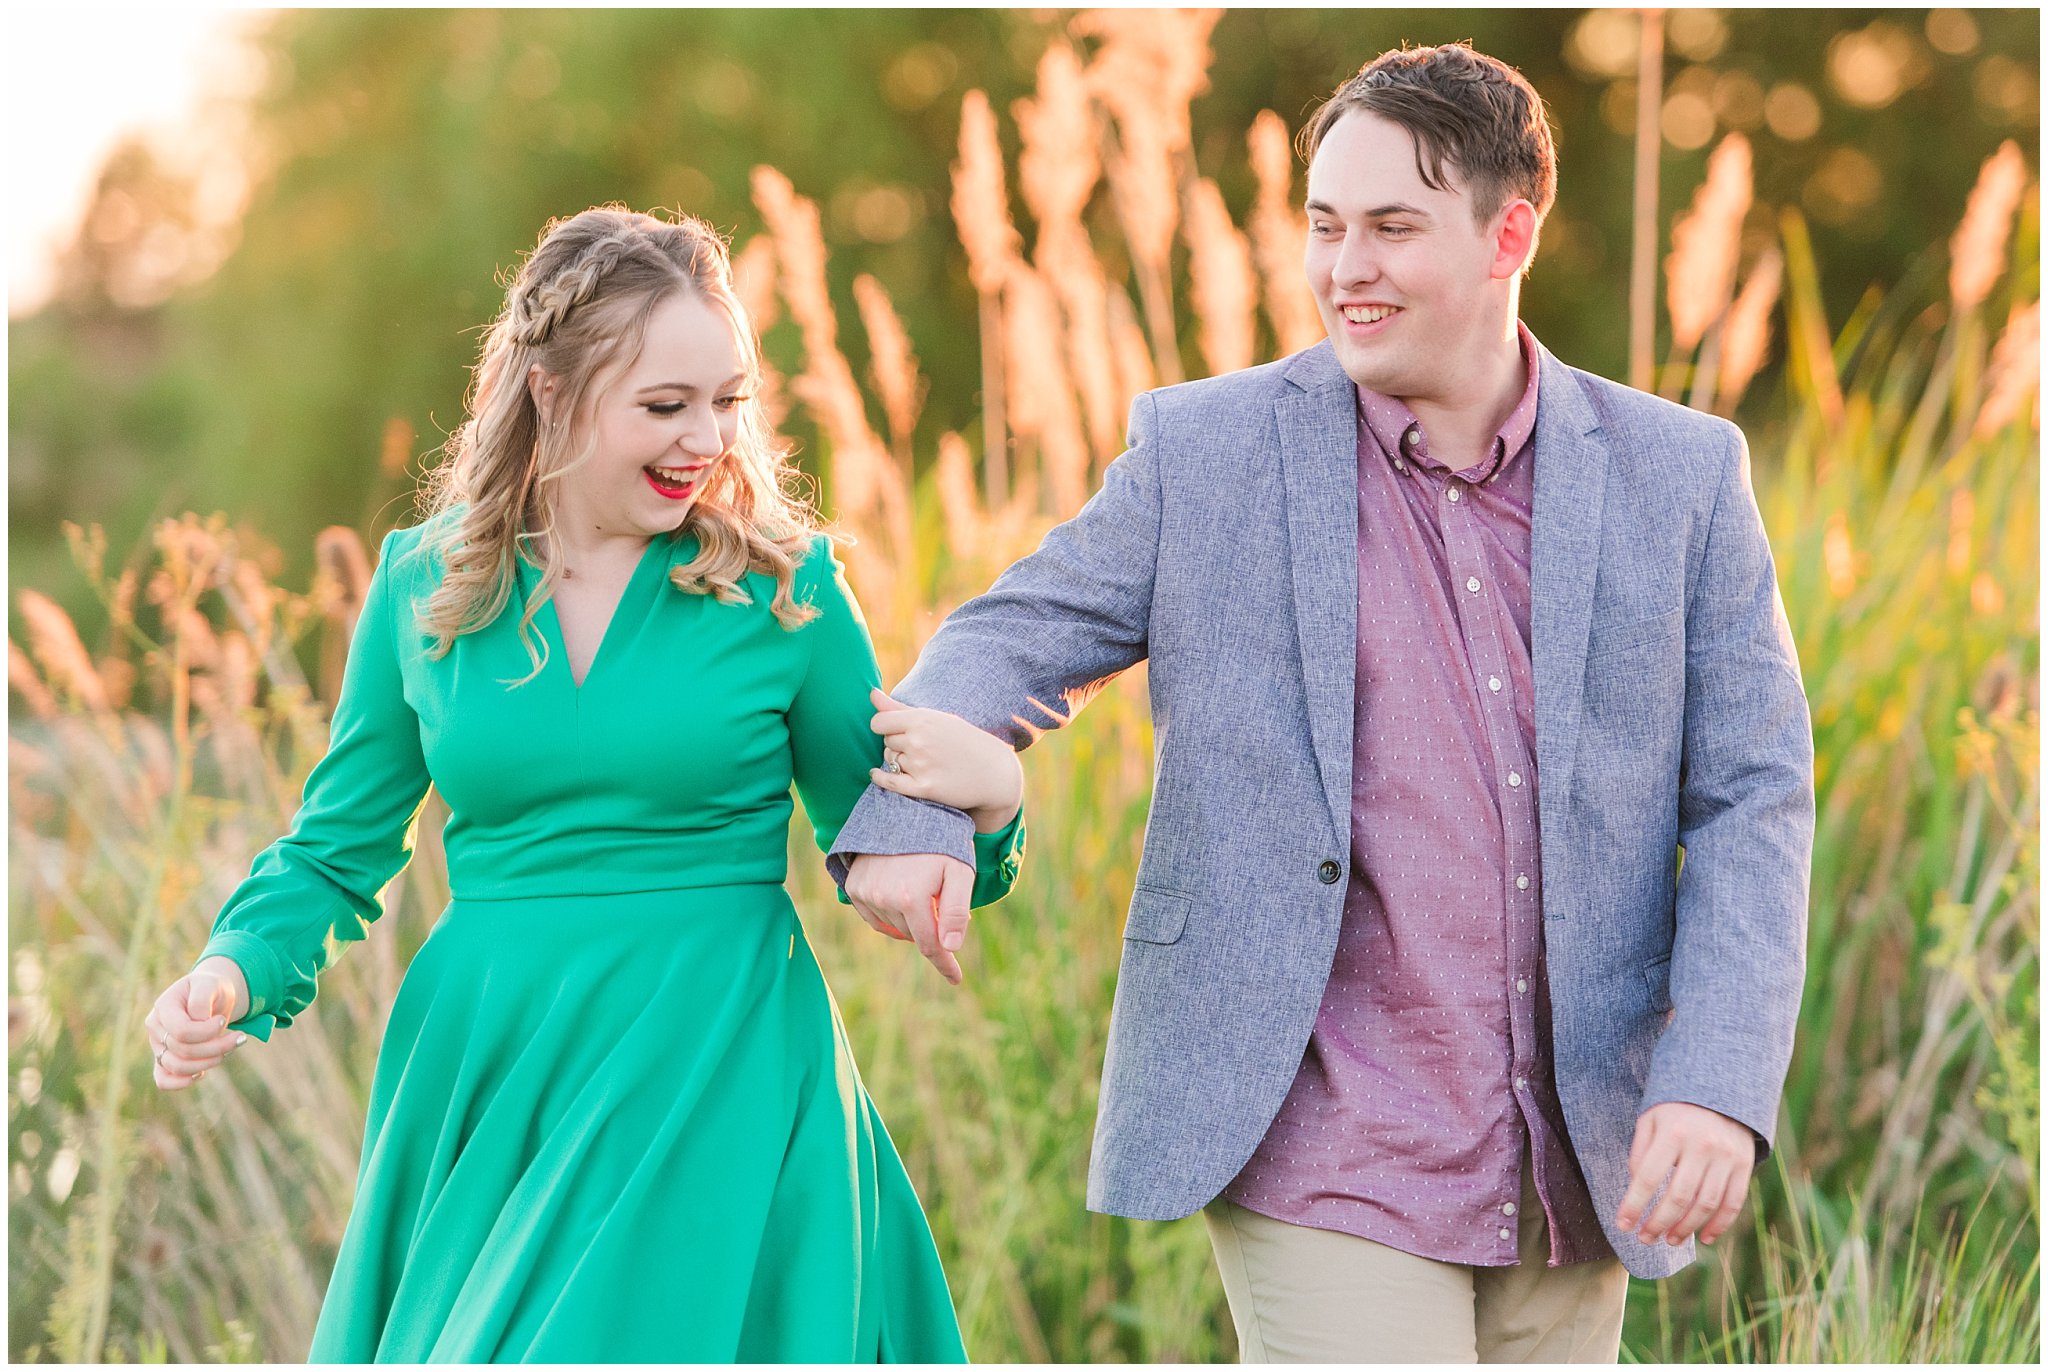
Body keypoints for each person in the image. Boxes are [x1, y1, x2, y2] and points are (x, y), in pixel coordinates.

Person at [833, 43, 1813, 1364]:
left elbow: (1755, 792)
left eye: (1392, 228)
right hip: (1316, 1128)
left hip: (1576, 1157)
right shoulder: (1207, 452)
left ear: (1507, 232)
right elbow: (1009, 636)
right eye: (1324, 225)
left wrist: (1714, 1085)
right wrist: (920, 819)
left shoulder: (1683, 478)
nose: (1345, 268)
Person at [141, 206, 1026, 1363]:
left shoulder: (787, 589)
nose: (704, 438)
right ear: (549, 392)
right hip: (492, 1068)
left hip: (716, 1064)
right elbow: (334, 850)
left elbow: (889, 848)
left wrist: (988, 814)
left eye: (727, 402)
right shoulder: (423, 585)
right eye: (664, 406)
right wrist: (231, 968)